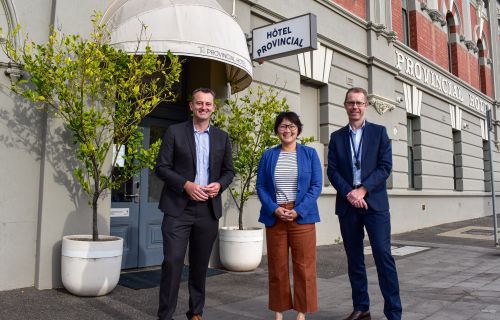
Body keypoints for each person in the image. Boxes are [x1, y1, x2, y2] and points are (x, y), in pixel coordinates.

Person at [155, 88, 235, 320]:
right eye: (199, 103)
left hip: (207, 211)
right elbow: (161, 168)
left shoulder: (222, 137)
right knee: (172, 262)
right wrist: (186, 185)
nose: (204, 107)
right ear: (191, 106)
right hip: (178, 209)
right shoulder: (174, 132)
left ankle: (196, 312)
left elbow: (229, 171)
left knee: (200, 266)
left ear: (213, 108)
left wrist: (219, 185)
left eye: (208, 104)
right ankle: (165, 315)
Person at [327, 87, 402, 320]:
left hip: (375, 204)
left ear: (366, 106)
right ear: (345, 105)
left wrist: (363, 189)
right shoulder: (337, 137)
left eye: (359, 103)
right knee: (354, 258)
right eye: (351, 103)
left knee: (382, 255)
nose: (355, 107)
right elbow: (332, 170)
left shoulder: (379, 133)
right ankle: (362, 307)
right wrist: (350, 192)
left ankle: (393, 312)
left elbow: (385, 167)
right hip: (348, 204)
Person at [256, 111, 322, 320]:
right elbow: (261, 186)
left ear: (298, 130)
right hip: (276, 216)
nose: (288, 130)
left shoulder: (309, 154)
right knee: (277, 267)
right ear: (277, 130)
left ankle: (302, 312)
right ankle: (279, 312)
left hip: (302, 216)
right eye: (283, 126)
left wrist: (298, 210)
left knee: (304, 267)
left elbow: (316, 186)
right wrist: (274, 208)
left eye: (292, 126)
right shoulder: (268, 155)